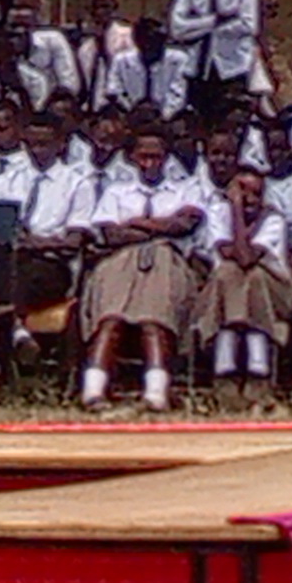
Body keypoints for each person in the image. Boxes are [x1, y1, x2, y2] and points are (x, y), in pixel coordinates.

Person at [76, 123, 206, 408]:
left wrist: (137, 223)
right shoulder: (116, 192)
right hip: (120, 260)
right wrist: (161, 225)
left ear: (166, 157)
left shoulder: (186, 188)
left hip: (165, 259)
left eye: (156, 156)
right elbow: (112, 233)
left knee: (154, 319)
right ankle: (93, 391)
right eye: (143, 156)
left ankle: (155, 393)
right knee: (111, 319)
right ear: (132, 157)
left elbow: (184, 225)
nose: (150, 163)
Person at [192, 164, 292, 400]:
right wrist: (232, 207)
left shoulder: (273, 220)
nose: (249, 199)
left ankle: (238, 367)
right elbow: (231, 256)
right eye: (242, 192)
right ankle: (239, 370)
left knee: (252, 275)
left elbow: (246, 258)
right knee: (229, 273)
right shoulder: (218, 213)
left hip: (272, 293)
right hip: (226, 293)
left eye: (256, 193)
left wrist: (237, 209)